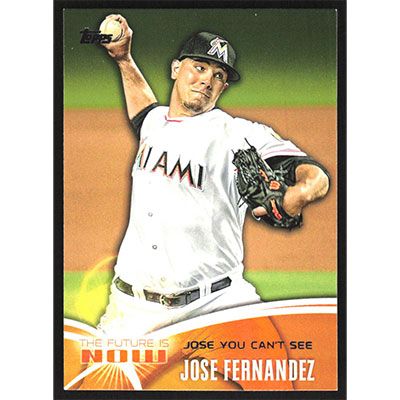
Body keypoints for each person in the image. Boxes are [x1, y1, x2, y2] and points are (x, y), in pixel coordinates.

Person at [97, 14, 330, 337]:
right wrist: (123, 60)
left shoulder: (238, 133)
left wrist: (299, 194)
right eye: (199, 67)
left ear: (224, 87)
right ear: (176, 69)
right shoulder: (155, 123)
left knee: (272, 368)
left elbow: (315, 175)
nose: (207, 80)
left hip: (218, 303)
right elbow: (144, 110)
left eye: (218, 75)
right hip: (131, 310)